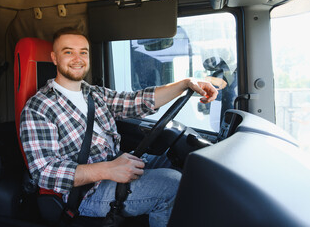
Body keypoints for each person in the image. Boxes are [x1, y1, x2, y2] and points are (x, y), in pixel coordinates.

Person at [20, 27, 218, 227]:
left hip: (114, 163)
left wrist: (185, 84)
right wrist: (107, 170)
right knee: (172, 184)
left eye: (83, 52)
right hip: (86, 193)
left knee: (186, 160)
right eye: (68, 52)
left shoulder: (93, 93)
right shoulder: (39, 107)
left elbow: (135, 101)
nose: (77, 58)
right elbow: (45, 172)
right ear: (54, 58)